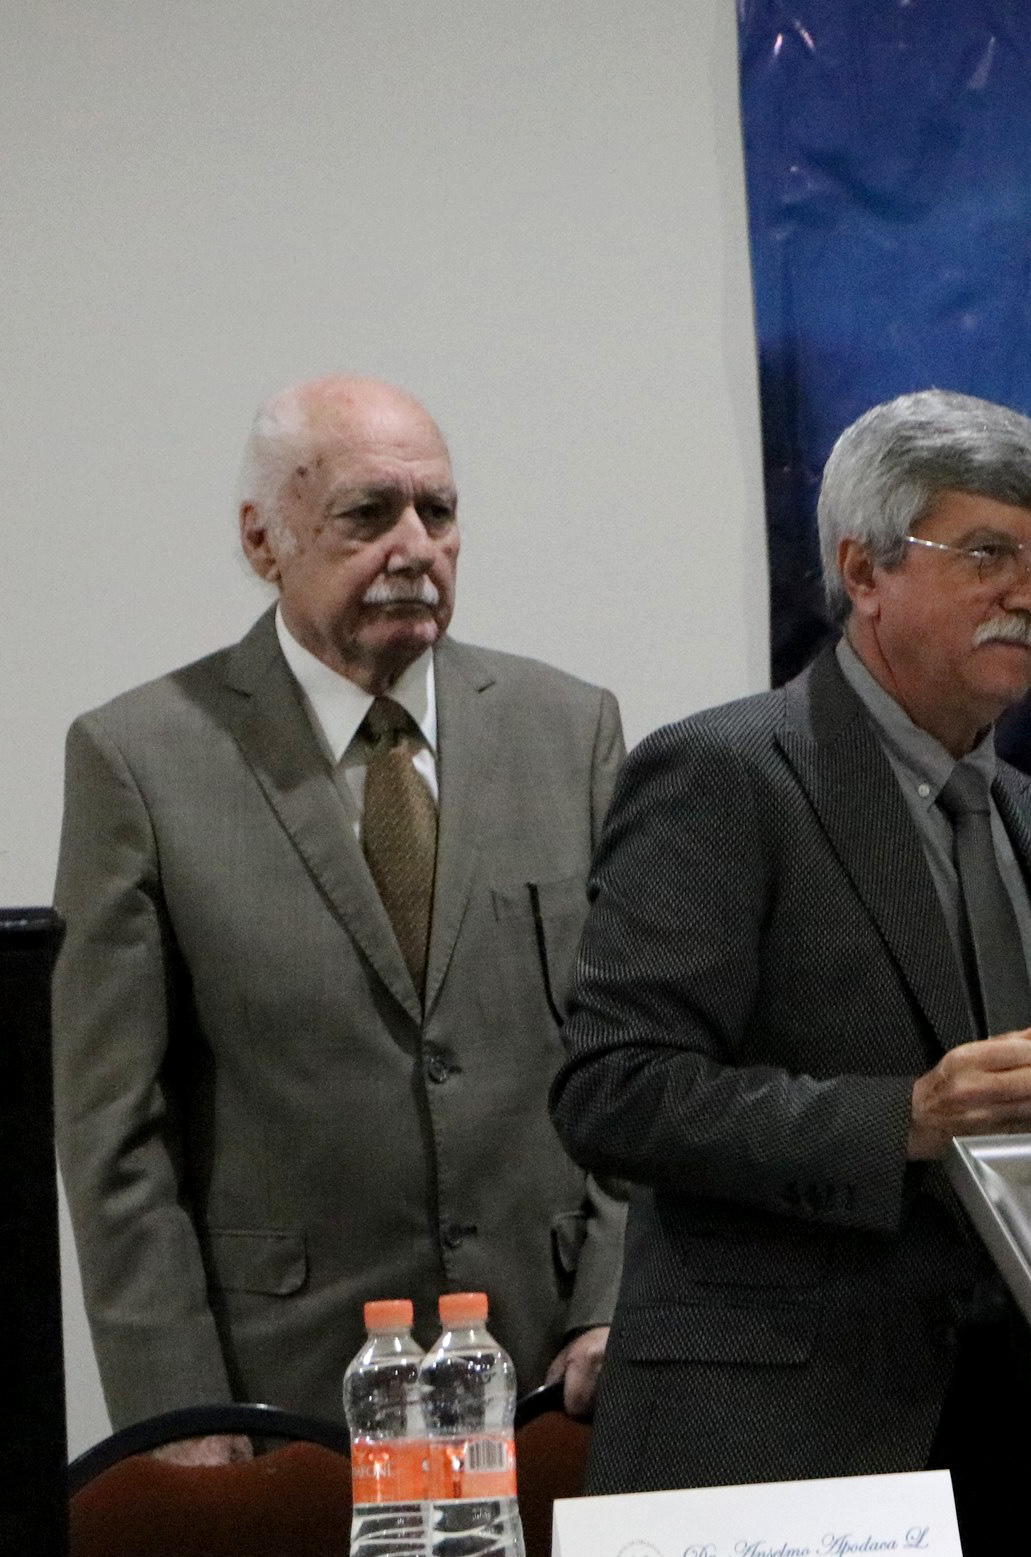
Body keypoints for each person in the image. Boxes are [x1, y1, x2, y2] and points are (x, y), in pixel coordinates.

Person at [549, 390, 1031, 1541]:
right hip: (784, 1436)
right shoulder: (723, 775)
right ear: (862, 569)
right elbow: (612, 1088)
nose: (1029, 598)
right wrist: (900, 1122)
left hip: (1026, 1431)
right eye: (987, 555)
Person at [52, 377, 626, 1459]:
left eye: (437, 512)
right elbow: (113, 1129)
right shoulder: (140, 760)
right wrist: (180, 1410)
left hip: (553, 1382)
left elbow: (633, 1054)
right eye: (369, 514)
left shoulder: (570, 730)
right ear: (261, 539)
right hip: (285, 1399)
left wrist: (612, 1297)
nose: (415, 548)